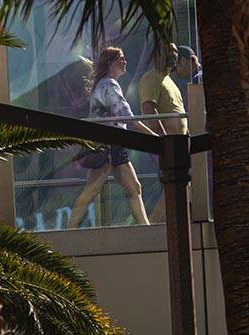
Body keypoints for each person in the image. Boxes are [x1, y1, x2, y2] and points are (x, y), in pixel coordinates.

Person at [69, 46, 156, 227]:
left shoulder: (104, 84)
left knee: (134, 188)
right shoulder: (109, 85)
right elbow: (127, 117)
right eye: (120, 58)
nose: (125, 61)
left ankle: (146, 228)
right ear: (110, 63)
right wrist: (155, 137)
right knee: (93, 190)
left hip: (114, 144)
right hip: (108, 144)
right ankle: (69, 230)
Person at [138, 43, 189, 136]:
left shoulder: (170, 81)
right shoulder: (151, 77)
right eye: (169, 50)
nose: (173, 54)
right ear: (158, 54)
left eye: (175, 51)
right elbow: (149, 110)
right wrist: (163, 139)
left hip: (179, 142)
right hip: (165, 144)